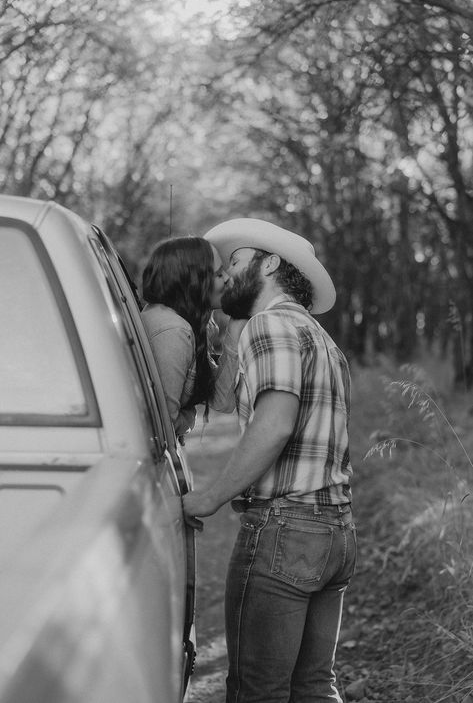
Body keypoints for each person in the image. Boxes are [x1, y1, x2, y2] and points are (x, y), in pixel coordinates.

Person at [183, 218, 356, 703]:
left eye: (236, 262)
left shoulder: (270, 325)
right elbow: (223, 404)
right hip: (336, 533)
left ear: (270, 263)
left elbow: (276, 424)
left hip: (284, 531)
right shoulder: (319, 337)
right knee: (314, 688)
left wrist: (211, 498)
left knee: (258, 692)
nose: (227, 274)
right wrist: (232, 336)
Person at [141, 235, 242, 440]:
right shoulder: (174, 331)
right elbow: (163, 425)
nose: (227, 279)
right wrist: (188, 417)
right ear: (193, 280)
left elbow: (223, 400)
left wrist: (236, 325)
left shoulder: (182, 323)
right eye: (218, 274)